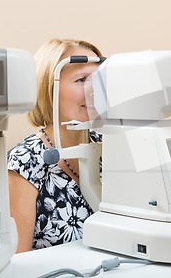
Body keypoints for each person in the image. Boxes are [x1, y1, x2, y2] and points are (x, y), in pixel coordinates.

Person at [8, 38, 104, 252]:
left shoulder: (111, 146)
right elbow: (17, 261)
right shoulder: (24, 162)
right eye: (81, 80)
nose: (94, 90)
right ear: (48, 89)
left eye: (98, 80)